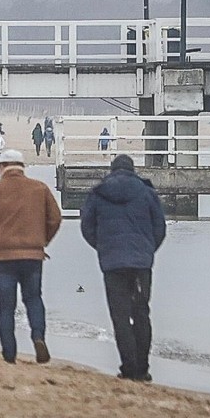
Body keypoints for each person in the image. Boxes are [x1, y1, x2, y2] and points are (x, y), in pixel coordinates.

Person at [80, 154, 166, 382]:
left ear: (112, 170)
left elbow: (87, 227)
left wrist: (103, 247)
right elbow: (160, 227)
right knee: (141, 313)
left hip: (113, 263)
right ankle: (142, 369)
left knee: (120, 316)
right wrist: (148, 250)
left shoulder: (98, 194)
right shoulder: (147, 193)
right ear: (133, 170)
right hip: (141, 263)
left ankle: (128, 367)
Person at [0, 149, 62, 365]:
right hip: (33, 255)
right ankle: (38, 336)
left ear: (1, 168)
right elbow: (55, 218)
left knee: (6, 306)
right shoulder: (40, 188)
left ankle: (9, 353)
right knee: (33, 299)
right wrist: (42, 241)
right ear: (22, 167)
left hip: (2, 257)